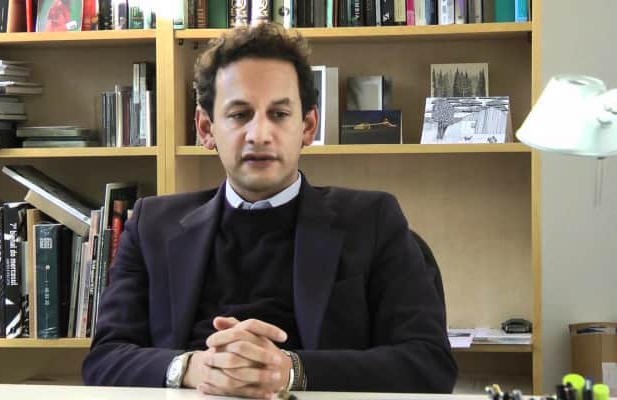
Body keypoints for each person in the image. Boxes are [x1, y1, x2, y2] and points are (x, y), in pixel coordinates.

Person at [82, 23, 457, 399]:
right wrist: (193, 367)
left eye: (278, 114)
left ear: (308, 126)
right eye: (239, 114)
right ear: (206, 128)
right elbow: (104, 359)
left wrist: (291, 370)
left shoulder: (373, 220)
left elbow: (428, 363)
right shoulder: (152, 225)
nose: (259, 134)